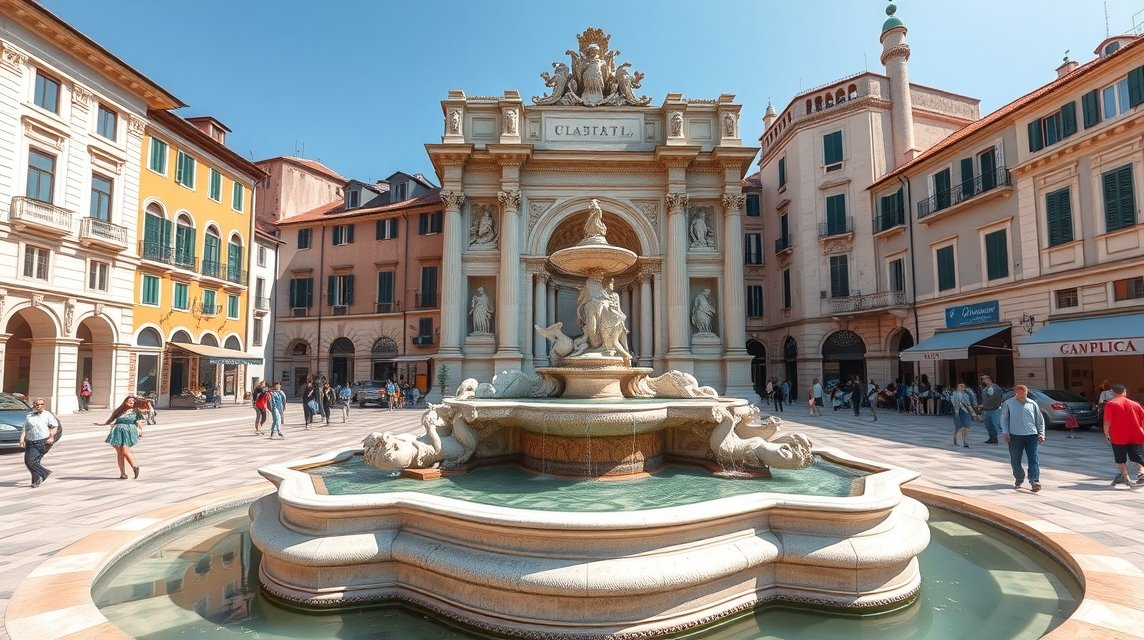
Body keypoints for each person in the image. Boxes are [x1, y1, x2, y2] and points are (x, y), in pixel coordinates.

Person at [1001, 384, 1046, 492]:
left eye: (1024, 393)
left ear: (1026, 393)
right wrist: (1005, 432)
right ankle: (1019, 477)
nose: (1021, 395)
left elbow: (1039, 420)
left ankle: (1034, 480)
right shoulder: (1009, 403)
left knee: (1033, 458)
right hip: (1015, 436)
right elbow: (1004, 419)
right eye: (1019, 393)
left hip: (1031, 435)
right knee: (1015, 458)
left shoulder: (1032, 403)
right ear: (1016, 393)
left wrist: (1041, 433)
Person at [1101, 383, 1144, 487]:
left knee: (1120, 458)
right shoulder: (1135, 404)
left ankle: (1125, 477)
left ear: (1112, 393)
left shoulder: (1111, 404)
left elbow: (1107, 421)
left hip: (1118, 436)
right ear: (1124, 392)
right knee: (1138, 457)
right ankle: (1142, 473)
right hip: (1136, 435)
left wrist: (1106, 433)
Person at [96, 396, 144, 480]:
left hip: (128, 431)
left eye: (133, 401)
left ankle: (135, 467)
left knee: (125, 450)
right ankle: (123, 473)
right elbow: (110, 420)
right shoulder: (119, 411)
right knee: (120, 452)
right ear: (125, 401)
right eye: (129, 401)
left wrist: (140, 430)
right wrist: (101, 424)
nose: (131, 402)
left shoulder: (136, 411)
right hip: (117, 432)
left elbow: (139, 422)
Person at [19, 397, 60, 487]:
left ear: (44, 405)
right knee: (29, 462)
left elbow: (54, 426)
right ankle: (37, 479)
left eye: (41, 404)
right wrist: (22, 438)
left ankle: (44, 473)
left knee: (32, 462)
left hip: (41, 441)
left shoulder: (47, 415)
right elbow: (25, 428)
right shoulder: (29, 415)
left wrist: (51, 437)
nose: (39, 406)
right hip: (30, 441)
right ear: (34, 405)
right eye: (37, 404)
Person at [950, 383, 979, 448]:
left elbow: (970, 403)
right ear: (957, 387)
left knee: (966, 425)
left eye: (963, 387)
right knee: (958, 426)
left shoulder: (967, 394)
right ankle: (955, 439)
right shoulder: (954, 394)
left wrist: (974, 413)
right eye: (960, 387)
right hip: (957, 411)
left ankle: (965, 441)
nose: (961, 388)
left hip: (966, 411)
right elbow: (953, 402)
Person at [979, 375, 1004, 444]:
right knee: (988, 425)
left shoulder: (997, 388)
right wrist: (982, 405)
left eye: (984, 379)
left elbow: (1000, 397)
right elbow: (985, 399)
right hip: (986, 409)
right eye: (982, 380)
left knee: (997, 424)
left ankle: (1008, 436)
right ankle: (992, 438)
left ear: (989, 380)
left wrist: (999, 404)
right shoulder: (984, 389)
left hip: (995, 409)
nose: (983, 381)